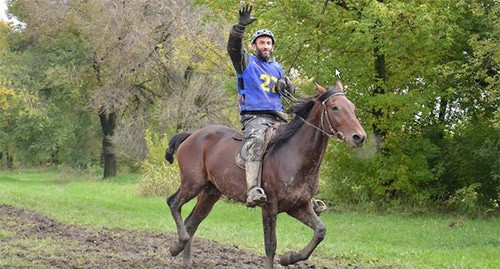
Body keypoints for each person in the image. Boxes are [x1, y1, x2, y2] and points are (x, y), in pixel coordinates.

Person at [227, 5, 295, 207]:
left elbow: (287, 91)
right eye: (261, 43)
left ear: (272, 47)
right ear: (254, 46)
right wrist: (239, 28)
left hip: (278, 117)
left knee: (301, 140)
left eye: (268, 43)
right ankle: (253, 190)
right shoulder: (245, 61)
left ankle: (301, 192)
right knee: (256, 141)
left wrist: (287, 84)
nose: (265, 46)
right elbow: (233, 48)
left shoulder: (277, 67)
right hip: (255, 117)